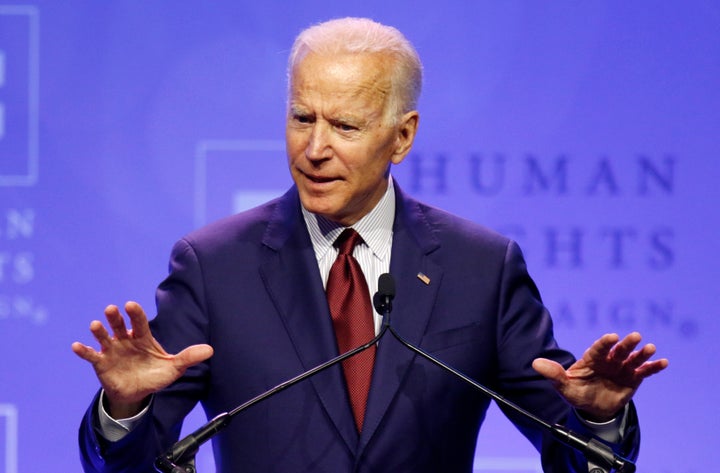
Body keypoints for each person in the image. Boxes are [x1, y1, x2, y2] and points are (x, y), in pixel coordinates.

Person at [72, 17, 668, 473]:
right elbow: (135, 464)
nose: (314, 148)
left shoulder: (479, 268)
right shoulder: (214, 266)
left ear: (402, 136)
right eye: (303, 118)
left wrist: (598, 417)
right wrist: (124, 410)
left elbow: (575, 457)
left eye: (345, 126)